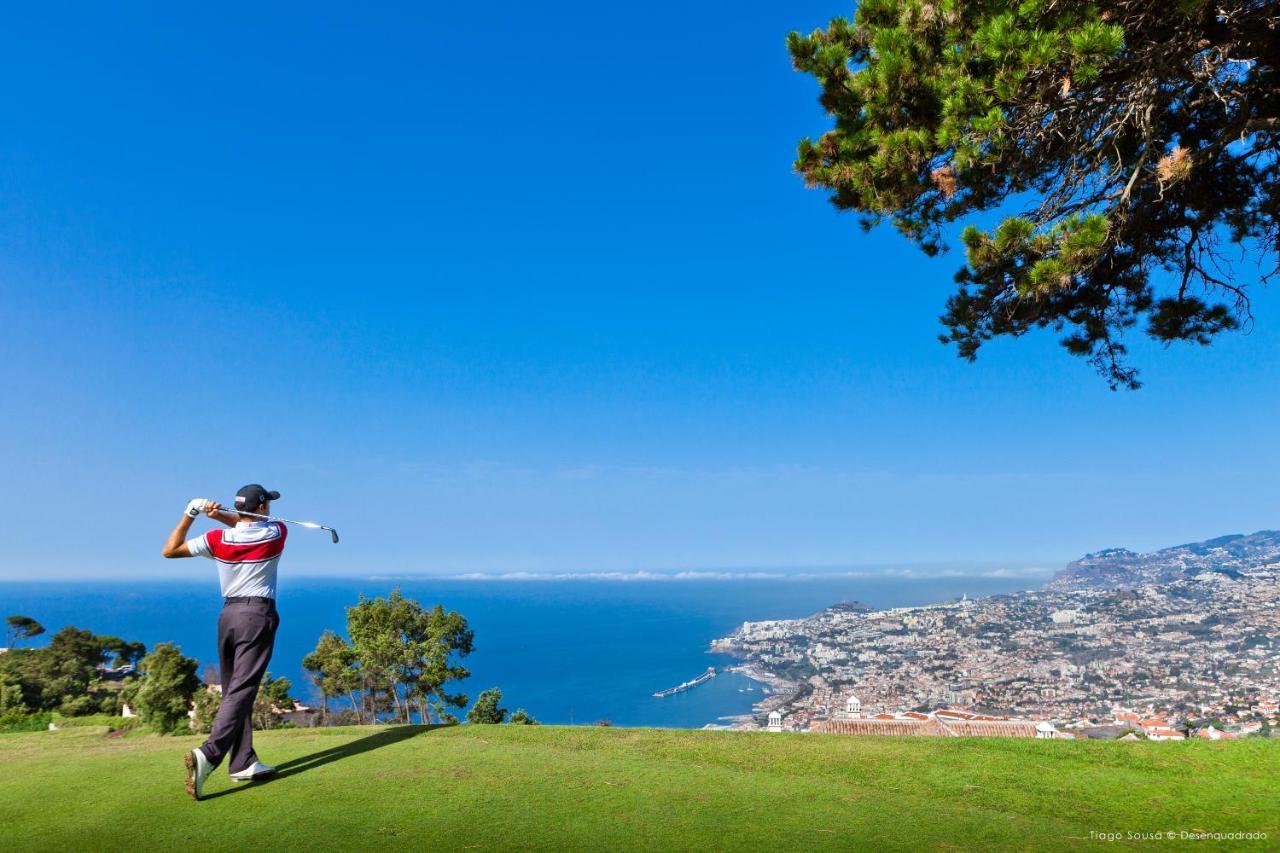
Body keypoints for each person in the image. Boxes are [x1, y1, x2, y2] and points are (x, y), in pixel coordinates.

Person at [161, 484, 287, 801]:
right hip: (257, 615)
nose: (269, 508)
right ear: (260, 509)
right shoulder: (276, 532)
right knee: (243, 689)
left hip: (228, 617)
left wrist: (193, 513)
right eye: (266, 504)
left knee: (234, 690)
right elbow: (245, 524)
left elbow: (170, 550)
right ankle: (209, 754)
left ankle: (243, 761)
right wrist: (222, 516)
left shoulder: (215, 541)